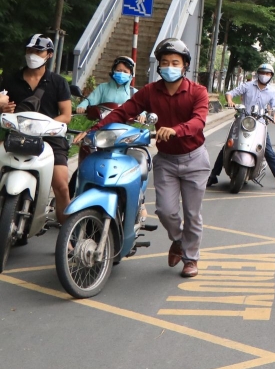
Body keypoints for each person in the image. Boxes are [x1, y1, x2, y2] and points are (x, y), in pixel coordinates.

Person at [79, 38, 210, 277]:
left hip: (194, 159)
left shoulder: (197, 92)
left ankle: (191, 259)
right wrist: (94, 129)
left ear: (184, 66)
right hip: (167, 160)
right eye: (165, 62)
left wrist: (176, 130)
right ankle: (179, 240)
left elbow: (199, 121)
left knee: (192, 213)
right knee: (165, 211)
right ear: (159, 67)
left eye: (175, 62)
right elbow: (123, 111)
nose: (169, 66)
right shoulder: (151, 91)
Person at [0, 34, 72, 222]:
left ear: (48, 54)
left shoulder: (58, 82)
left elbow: (66, 115)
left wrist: (47, 128)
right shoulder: (9, 79)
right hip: (17, 135)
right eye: (29, 50)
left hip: (51, 138)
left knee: (61, 186)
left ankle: (68, 236)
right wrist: (3, 108)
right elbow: (2, 105)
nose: (32, 54)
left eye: (38, 51)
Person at [208, 62, 275, 190]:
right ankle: (213, 175)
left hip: (260, 123)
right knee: (228, 146)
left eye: (267, 73)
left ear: (271, 76)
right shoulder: (248, 86)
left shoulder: (271, 92)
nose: (264, 75)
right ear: (258, 74)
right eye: (262, 72)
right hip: (243, 121)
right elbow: (230, 93)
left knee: (268, 151)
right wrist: (230, 101)